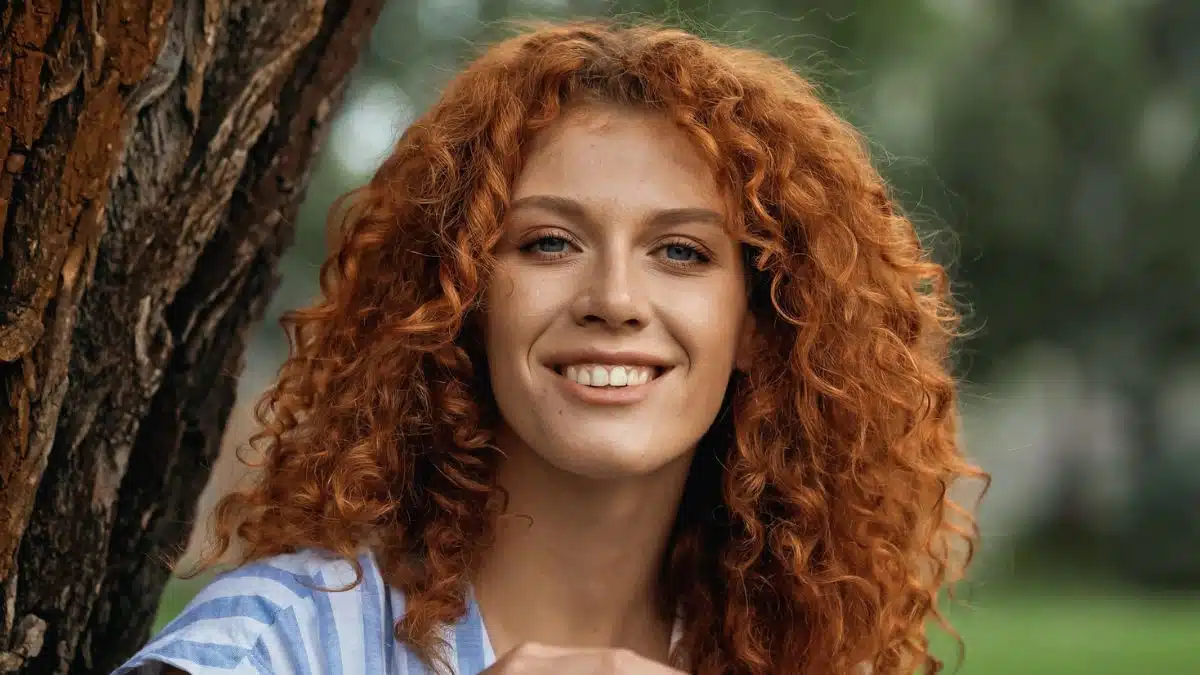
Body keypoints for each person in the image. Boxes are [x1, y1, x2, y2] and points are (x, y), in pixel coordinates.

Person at [114, 19, 986, 675]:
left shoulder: (785, 653)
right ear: (459, 298)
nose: (613, 300)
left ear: (761, 321)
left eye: (681, 252)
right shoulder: (273, 642)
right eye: (548, 243)